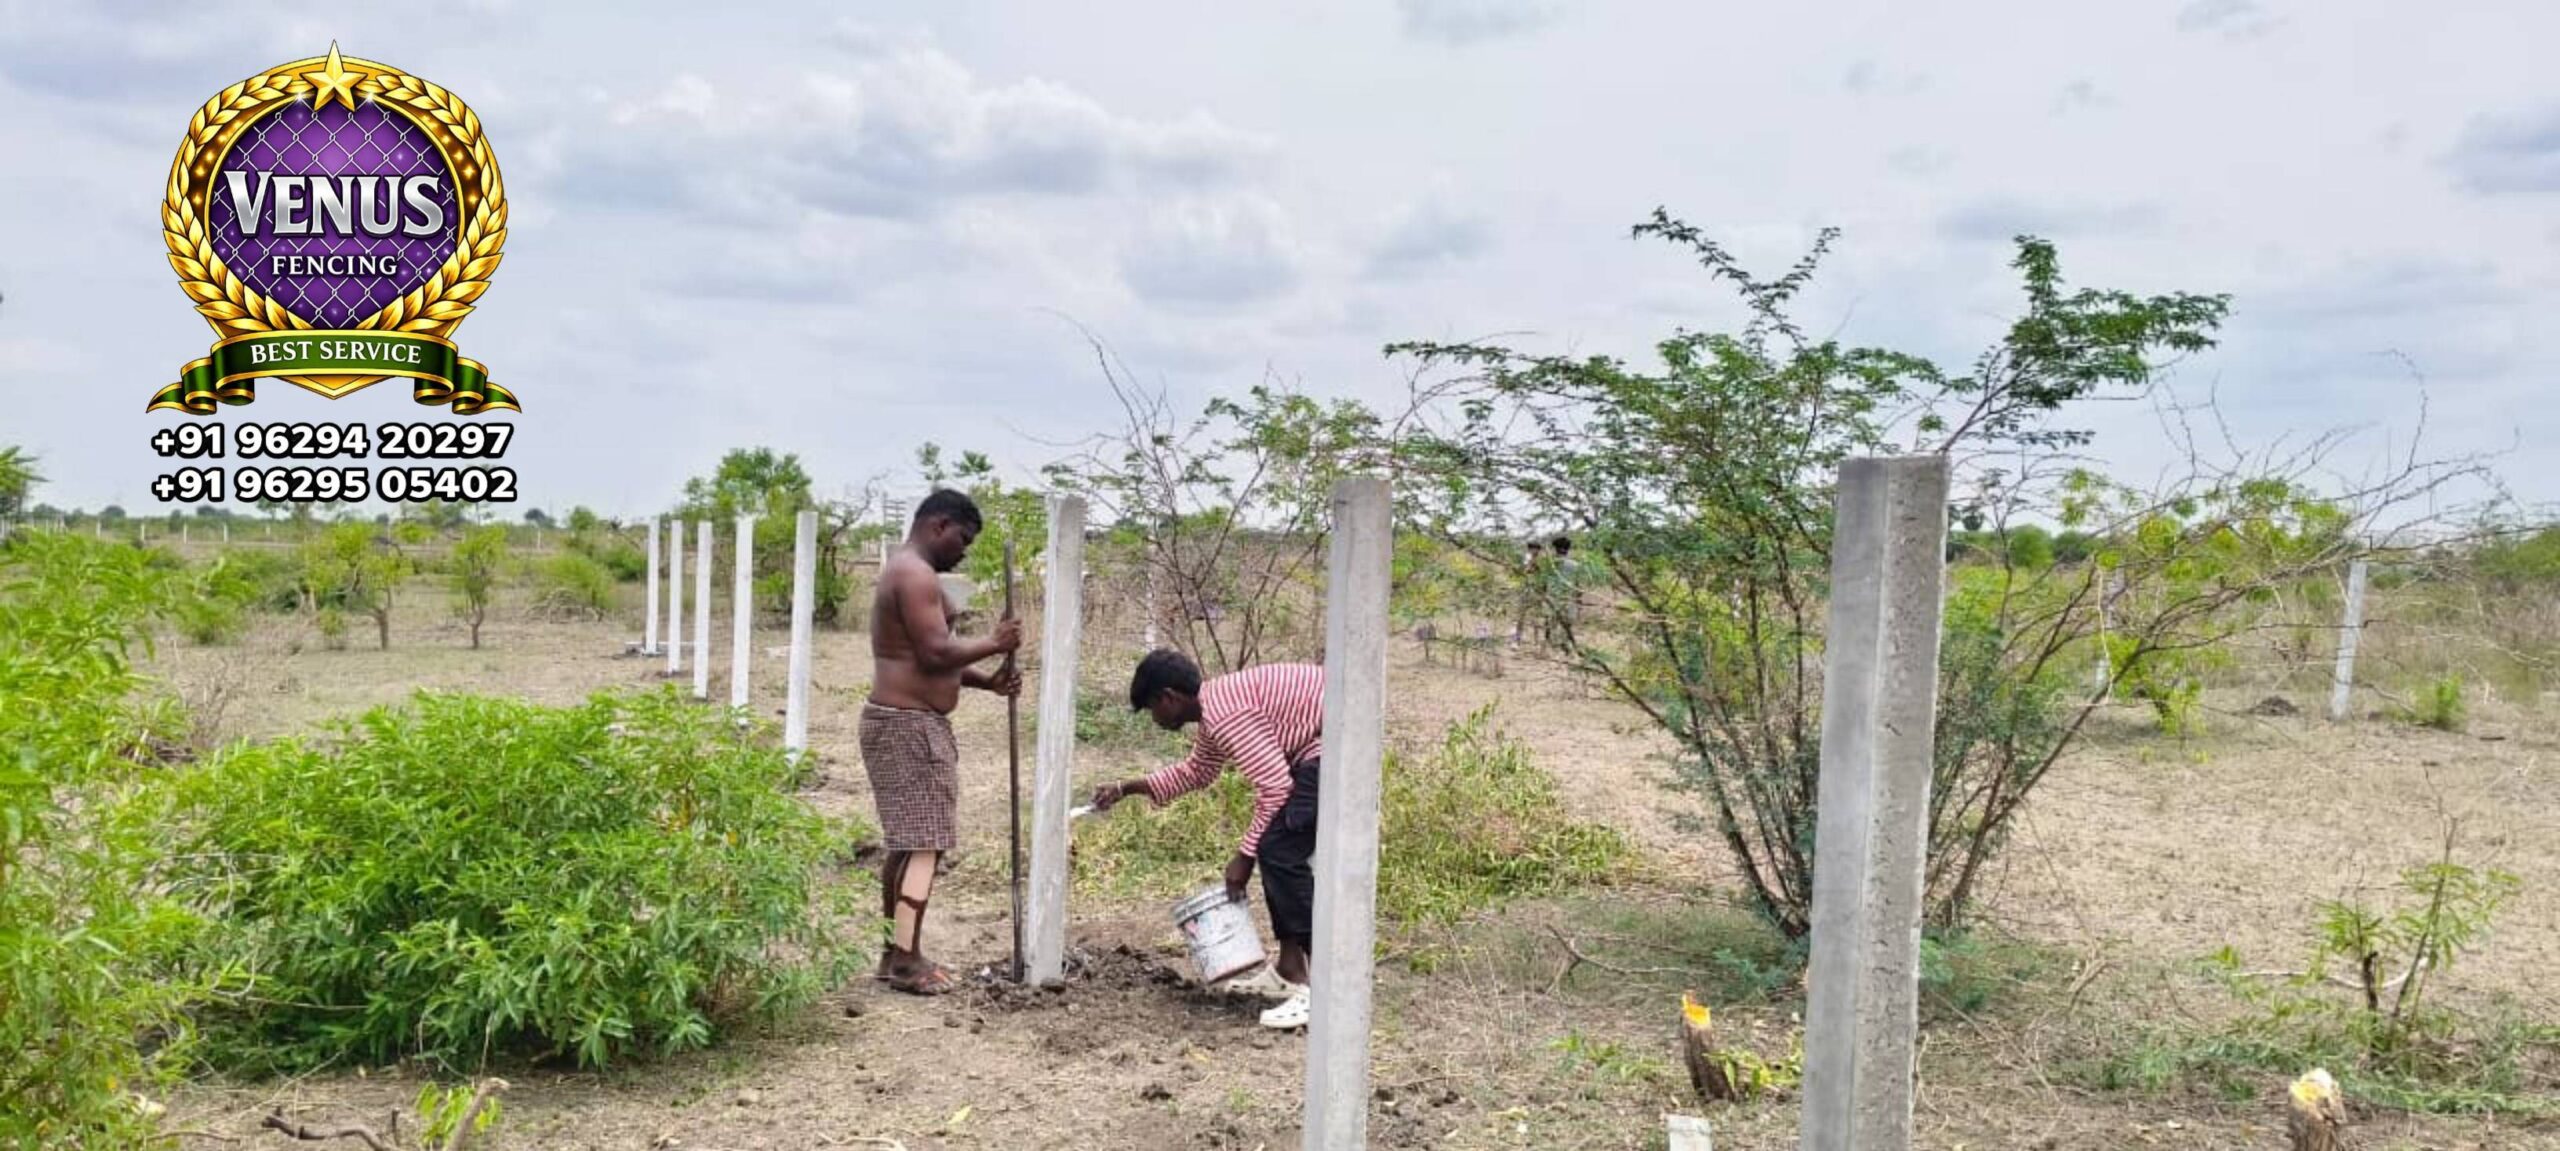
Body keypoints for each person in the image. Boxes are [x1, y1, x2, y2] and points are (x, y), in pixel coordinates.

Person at [1090, 650, 1325, 1030]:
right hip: (1316, 744)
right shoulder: (1214, 708)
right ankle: (1289, 970)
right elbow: (1197, 772)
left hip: (1334, 743)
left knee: (1278, 851)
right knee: (1272, 845)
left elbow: (1276, 787)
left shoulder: (1226, 715)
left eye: (1153, 708)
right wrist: (1127, 788)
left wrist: (1243, 858)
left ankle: (1328, 989)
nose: (1155, 719)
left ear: (1169, 697)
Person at [862, 488, 1023, 995]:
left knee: (908, 842)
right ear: (939, 525)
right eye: (963, 538)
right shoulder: (914, 574)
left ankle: (894, 953)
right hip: (909, 728)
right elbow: (934, 652)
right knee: (925, 843)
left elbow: (927, 657)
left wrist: (987, 681)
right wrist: (997, 642)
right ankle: (908, 960)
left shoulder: (907, 571)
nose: (965, 550)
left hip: (899, 720)